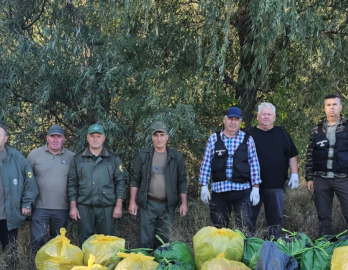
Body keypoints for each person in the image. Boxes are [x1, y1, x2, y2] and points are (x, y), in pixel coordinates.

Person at [305, 94, 348, 235]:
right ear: (324, 108)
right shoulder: (316, 130)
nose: (331, 108)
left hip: (344, 178)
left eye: (334, 104)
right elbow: (310, 155)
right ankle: (326, 242)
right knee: (323, 214)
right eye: (328, 105)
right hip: (321, 178)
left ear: (340, 107)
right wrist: (309, 178)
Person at [0, 124, 38, 258]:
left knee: (10, 254)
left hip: (8, 215)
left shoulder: (16, 157)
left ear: (5, 139)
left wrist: (27, 203)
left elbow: (30, 181)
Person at [198, 106, 261, 236]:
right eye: (230, 119)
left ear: (240, 121)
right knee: (219, 227)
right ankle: (222, 249)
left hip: (242, 191)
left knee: (245, 226)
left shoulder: (248, 140)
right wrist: (203, 186)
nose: (233, 122)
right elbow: (206, 163)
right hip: (219, 191)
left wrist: (256, 188)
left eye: (236, 119)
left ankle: (246, 248)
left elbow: (254, 164)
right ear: (224, 120)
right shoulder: (213, 139)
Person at [128, 122, 188, 249]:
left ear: (167, 137)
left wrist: (184, 203)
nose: (159, 138)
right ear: (152, 137)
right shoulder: (144, 155)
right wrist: (132, 201)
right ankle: (143, 260)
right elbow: (135, 179)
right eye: (156, 135)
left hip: (168, 205)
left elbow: (182, 180)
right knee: (144, 240)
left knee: (164, 241)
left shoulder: (176, 157)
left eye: (162, 135)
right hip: (148, 203)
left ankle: (160, 261)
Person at [245, 103, 299, 238]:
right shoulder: (249, 135)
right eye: (263, 114)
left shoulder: (282, 134)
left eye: (269, 114)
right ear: (257, 117)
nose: (266, 117)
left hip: (275, 185)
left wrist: (294, 174)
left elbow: (292, 155)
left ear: (274, 117)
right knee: (248, 220)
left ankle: (273, 245)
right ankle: (248, 244)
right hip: (251, 187)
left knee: (275, 222)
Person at [67, 124, 127, 244]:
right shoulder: (78, 159)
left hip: (106, 207)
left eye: (98, 136)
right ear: (87, 138)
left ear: (104, 138)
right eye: (92, 136)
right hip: (85, 207)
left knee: (107, 242)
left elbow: (120, 183)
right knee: (85, 242)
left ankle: (106, 258)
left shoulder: (113, 158)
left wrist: (119, 205)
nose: (95, 139)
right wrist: (73, 206)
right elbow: (72, 183)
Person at [27, 125, 74, 253]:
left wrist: (74, 206)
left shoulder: (71, 157)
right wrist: (27, 203)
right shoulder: (34, 155)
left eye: (59, 137)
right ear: (47, 138)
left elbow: (75, 183)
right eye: (52, 136)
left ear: (64, 139)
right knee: (37, 240)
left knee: (58, 242)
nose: (55, 140)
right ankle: (35, 263)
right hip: (40, 206)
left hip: (62, 207)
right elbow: (27, 180)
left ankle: (55, 265)